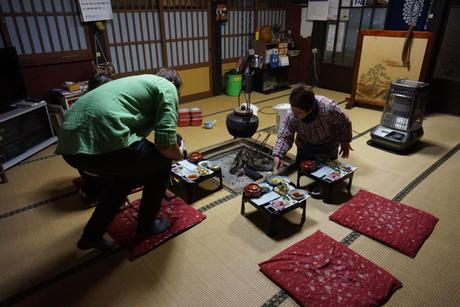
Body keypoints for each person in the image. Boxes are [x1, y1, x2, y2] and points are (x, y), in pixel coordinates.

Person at [55, 68, 184, 250]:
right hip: (102, 140)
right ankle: (146, 226)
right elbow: (165, 145)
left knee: (124, 178)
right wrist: (180, 156)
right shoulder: (167, 87)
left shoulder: (136, 85)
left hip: (70, 147)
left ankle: (92, 235)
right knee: (162, 164)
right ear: (176, 88)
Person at [273, 84, 353, 171]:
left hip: (328, 145)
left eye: (299, 112)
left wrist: (345, 141)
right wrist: (278, 155)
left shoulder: (328, 108)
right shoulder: (291, 114)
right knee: (303, 172)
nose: (294, 114)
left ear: (311, 108)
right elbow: (285, 136)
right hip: (305, 146)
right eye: (292, 109)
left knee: (327, 174)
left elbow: (344, 123)